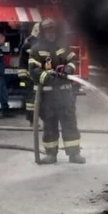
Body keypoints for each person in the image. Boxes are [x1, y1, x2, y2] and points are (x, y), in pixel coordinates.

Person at [28, 18, 86, 164]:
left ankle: (74, 154)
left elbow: (73, 60)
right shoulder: (36, 49)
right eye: (48, 31)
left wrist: (68, 68)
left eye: (53, 31)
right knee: (49, 125)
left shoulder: (63, 45)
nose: (51, 34)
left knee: (70, 123)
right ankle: (51, 154)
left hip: (65, 94)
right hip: (47, 96)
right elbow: (33, 70)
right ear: (43, 32)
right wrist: (47, 76)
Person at [18, 23, 40, 125]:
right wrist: (23, 75)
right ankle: (32, 120)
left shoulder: (42, 42)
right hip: (32, 76)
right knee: (32, 99)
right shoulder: (29, 43)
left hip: (40, 75)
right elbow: (23, 60)